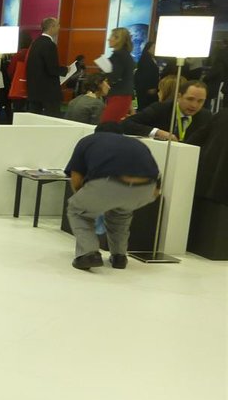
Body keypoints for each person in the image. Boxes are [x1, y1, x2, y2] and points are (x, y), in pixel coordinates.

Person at [65, 127, 160, 270]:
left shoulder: (88, 141)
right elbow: (156, 175)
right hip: (147, 189)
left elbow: (76, 177)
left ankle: (88, 254)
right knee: (121, 215)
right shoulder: (136, 143)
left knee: (77, 211)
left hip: (110, 183)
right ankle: (119, 257)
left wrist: (85, 200)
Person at [120, 80, 212, 145]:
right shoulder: (161, 109)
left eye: (200, 101)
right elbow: (126, 124)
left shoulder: (206, 117)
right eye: (190, 99)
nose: (194, 105)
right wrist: (158, 132)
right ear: (179, 96)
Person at [26, 17, 70, 116]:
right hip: (48, 91)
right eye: (58, 25)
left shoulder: (35, 43)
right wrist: (66, 69)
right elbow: (52, 69)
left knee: (34, 119)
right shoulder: (49, 45)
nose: (59, 27)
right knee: (52, 119)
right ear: (51, 27)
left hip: (34, 90)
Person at [101, 27, 136, 123]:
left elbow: (114, 76)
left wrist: (104, 76)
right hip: (123, 96)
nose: (109, 39)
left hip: (118, 96)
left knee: (107, 124)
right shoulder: (126, 55)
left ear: (118, 39)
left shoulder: (118, 55)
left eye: (111, 36)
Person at [6, 30, 33, 113]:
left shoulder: (18, 55)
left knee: (18, 110)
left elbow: (11, 71)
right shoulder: (33, 53)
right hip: (31, 87)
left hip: (19, 87)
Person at [134, 39, 159, 110]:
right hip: (146, 88)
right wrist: (150, 87)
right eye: (153, 47)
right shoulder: (146, 59)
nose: (155, 49)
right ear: (148, 48)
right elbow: (145, 75)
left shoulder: (152, 58)